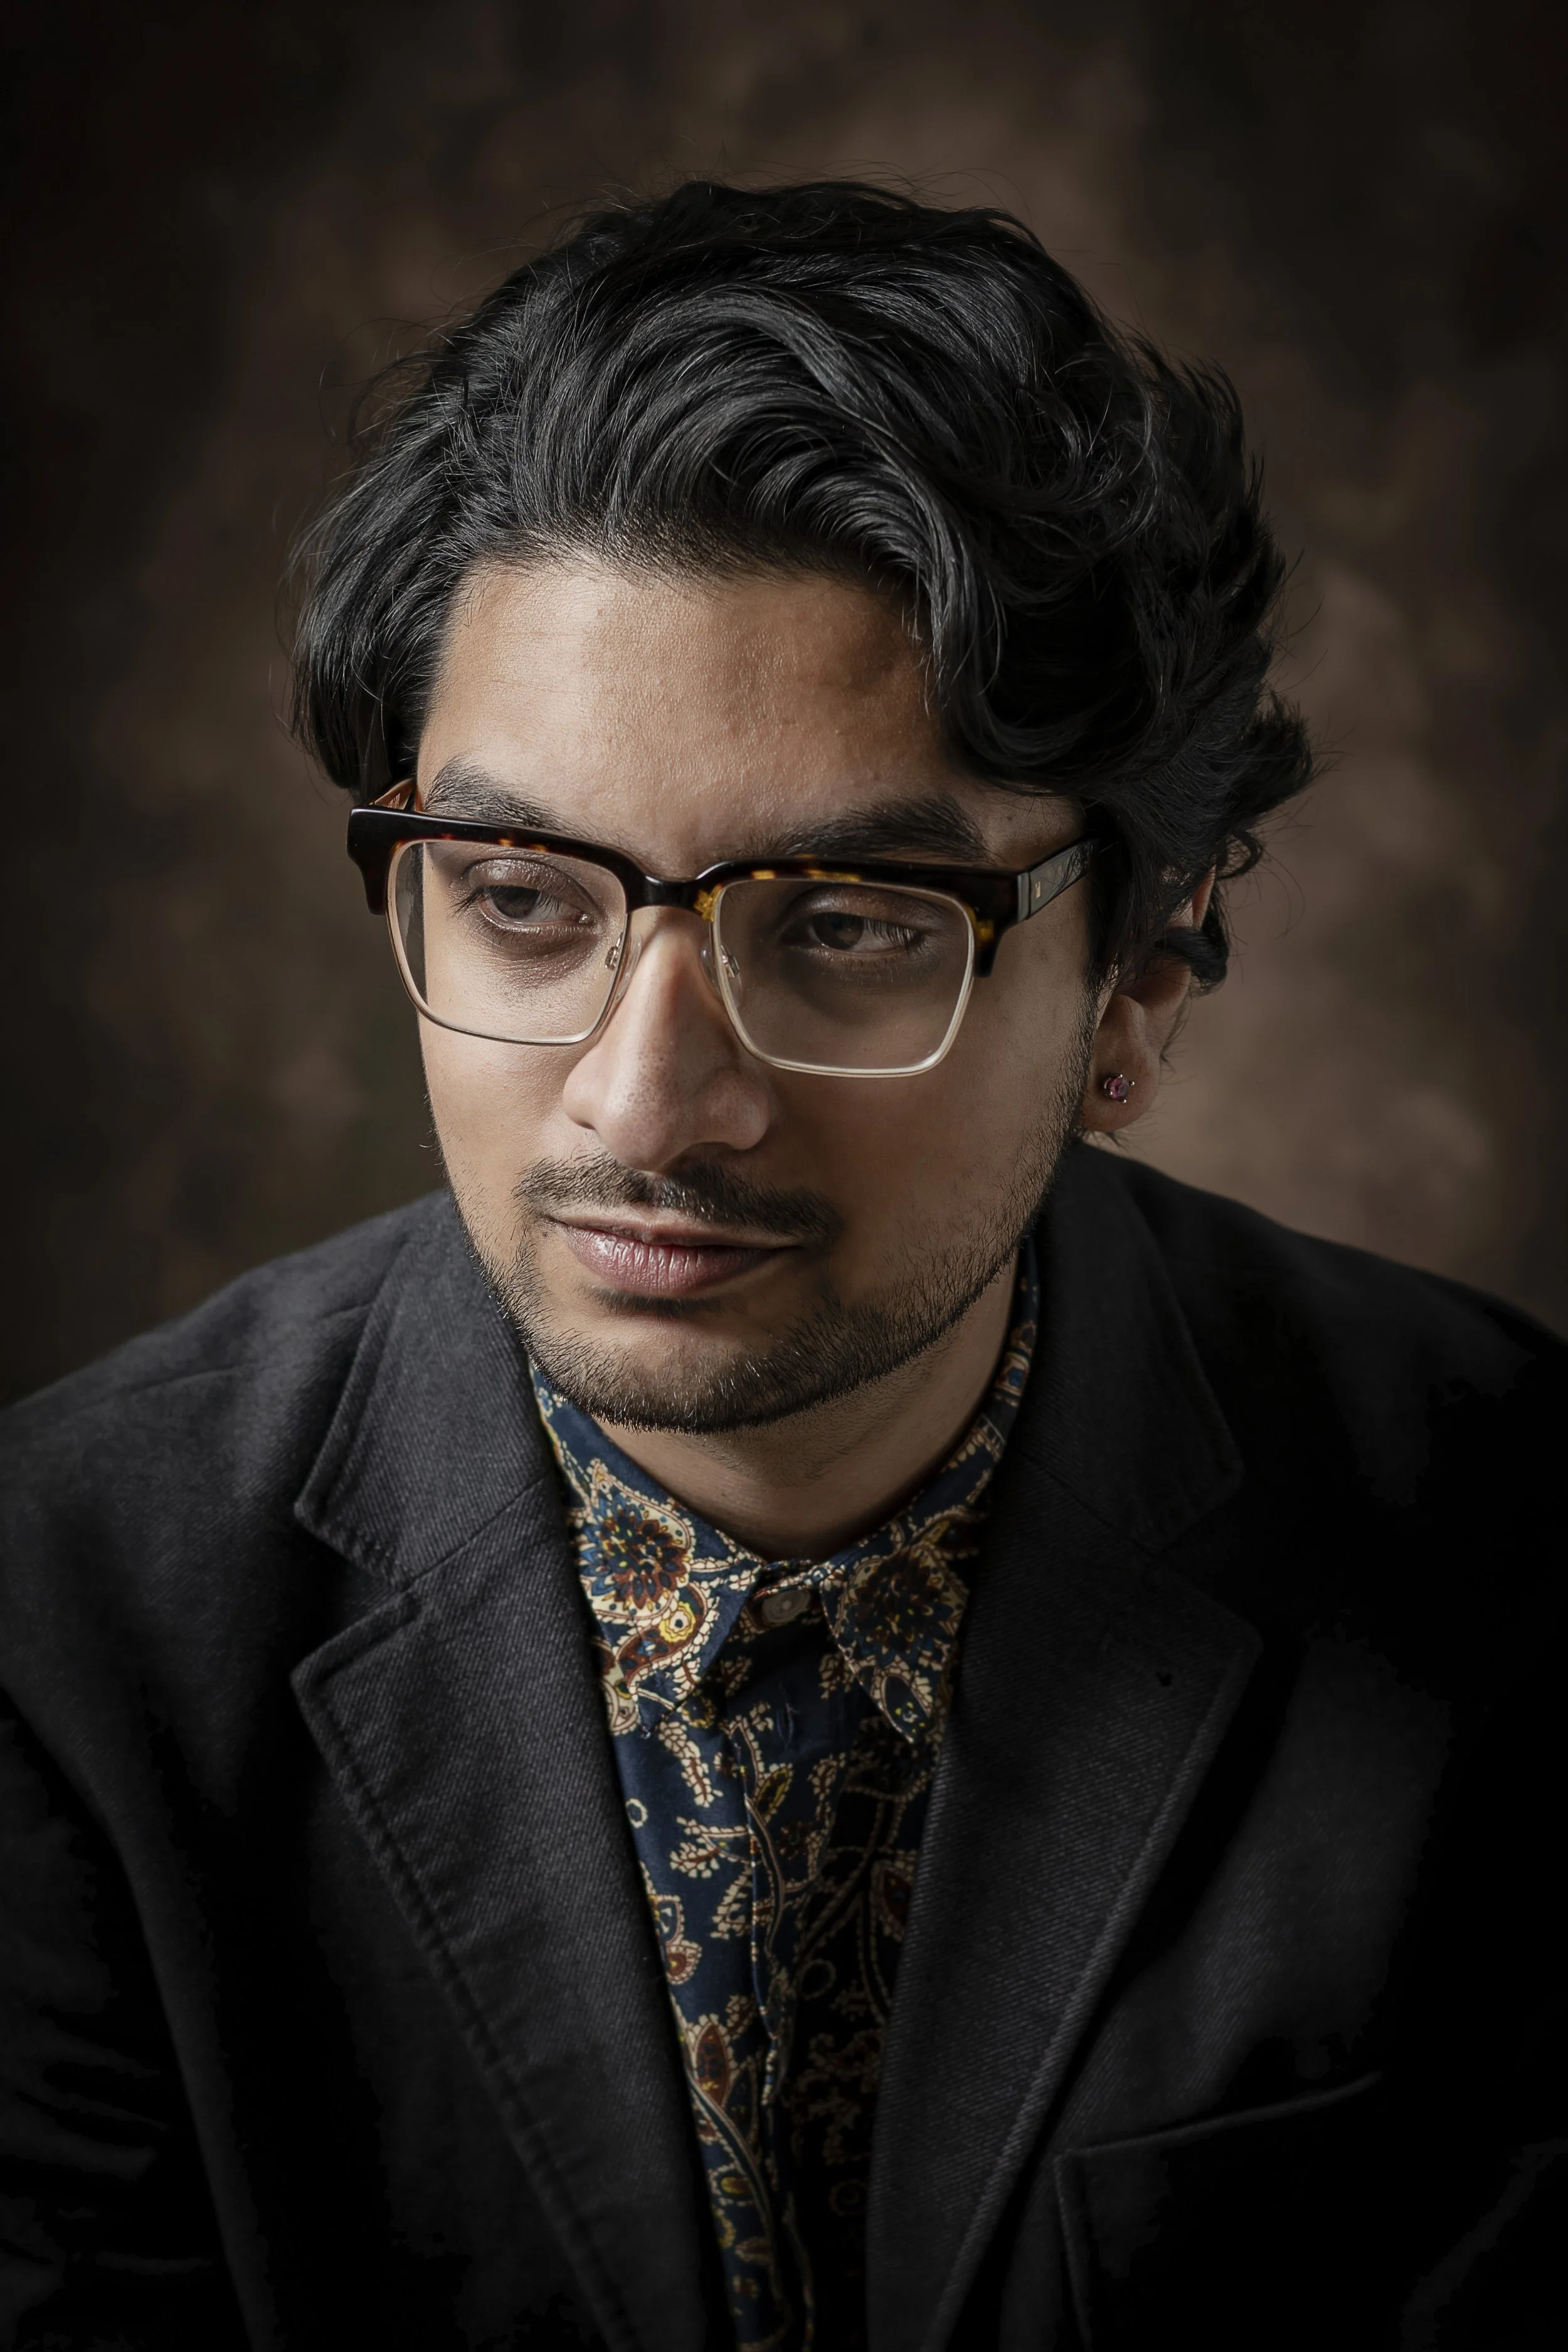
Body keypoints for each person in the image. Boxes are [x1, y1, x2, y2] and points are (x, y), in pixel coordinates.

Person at [1, 180, 1560, 2352]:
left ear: (1141, 981)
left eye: (840, 925)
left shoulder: (1507, 1543)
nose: (642, 1106)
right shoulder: (63, 1628)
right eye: (525, 897)